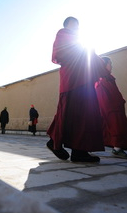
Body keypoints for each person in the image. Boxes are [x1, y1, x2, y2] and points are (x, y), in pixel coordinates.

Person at [46, 16, 110, 163]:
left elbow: (90, 55)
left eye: (78, 24)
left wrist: (102, 68)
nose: (76, 26)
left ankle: (60, 143)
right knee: (79, 113)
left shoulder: (79, 39)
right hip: (74, 79)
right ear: (66, 24)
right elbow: (61, 53)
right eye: (73, 23)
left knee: (78, 114)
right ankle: (78, 151)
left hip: (83, 79)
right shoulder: (63, 34)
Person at [95, 56, 127, 159]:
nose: (111, 66)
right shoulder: (102, 79)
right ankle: (117, 149)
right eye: (109, 64)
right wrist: (115, 105)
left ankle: (117, 148)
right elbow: (105, 96)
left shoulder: (108, 78)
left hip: (115, 108)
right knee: (115, 127)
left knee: (116, 127)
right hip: (111, 109)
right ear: (104, 65)